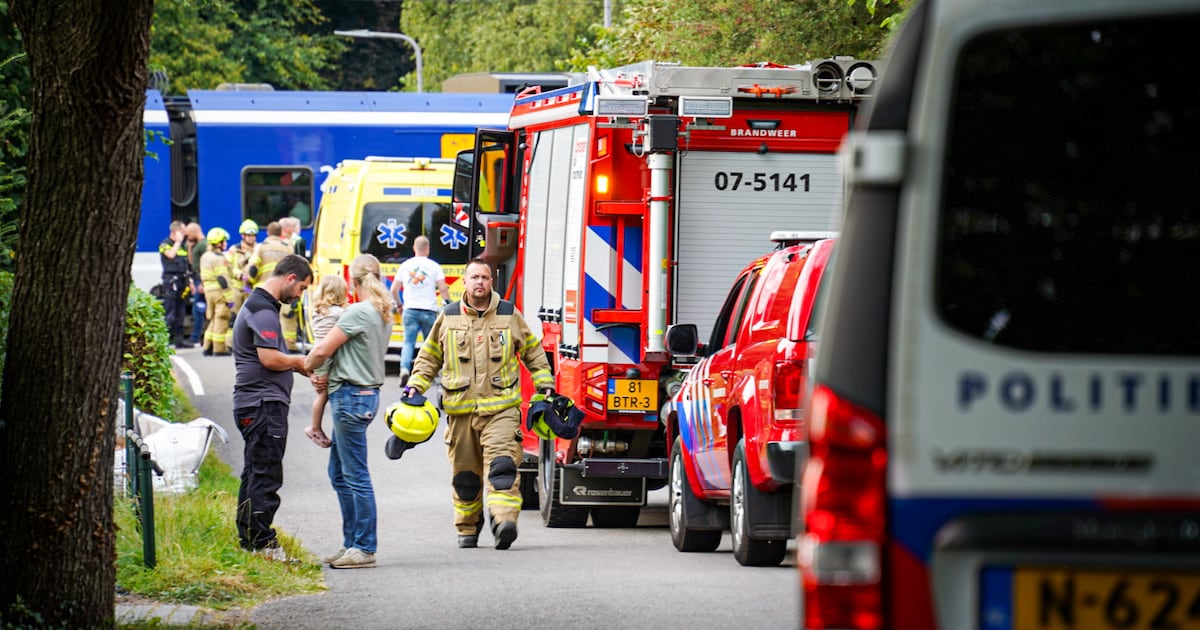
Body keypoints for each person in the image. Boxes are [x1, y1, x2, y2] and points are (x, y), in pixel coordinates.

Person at [404, 257, 554, 550]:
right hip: (460, 412)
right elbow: (429, 358)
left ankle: (504, 522)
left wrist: (544, 384)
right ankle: (468, 527)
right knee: (465, 478)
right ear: (464, 281)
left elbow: (534, 351)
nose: (479, 283)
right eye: (474, 277)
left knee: (502, 468)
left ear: (491, 282)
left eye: (484, 277)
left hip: (501, 409)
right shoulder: (447, 316)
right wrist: (414, 387)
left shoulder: (509, 314)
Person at [304, 254, 392, 569]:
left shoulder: (358, 311)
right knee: (339, 473)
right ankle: (351, 543)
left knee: (354, 475)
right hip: (364, 394)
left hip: (351, 396)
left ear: (353, 282)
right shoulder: (383, 310)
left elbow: (325, 348)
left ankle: (364, 547)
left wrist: (308, 366)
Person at [231, 254, 312, 557]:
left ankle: (249, 538)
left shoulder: (261, 306)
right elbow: (269, 358)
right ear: (290, 278)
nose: (299, 295)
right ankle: (262, 544)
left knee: (255, 471)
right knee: (266, 474)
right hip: (263, 404)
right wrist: (300, 362)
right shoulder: (262, 310)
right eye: (301, 288)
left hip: (256, 403)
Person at [391, 235, 450, 386]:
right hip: (428, 310)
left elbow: (394, 289)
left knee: (408, 343)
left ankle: (404, 370)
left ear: (414, 248)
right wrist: (448, 303)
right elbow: (443, 287)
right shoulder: (434, 266)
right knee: (429, 344)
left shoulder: (405, 265)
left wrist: (399, 305)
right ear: (428, 249)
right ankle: (430, 374)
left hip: (410, 309)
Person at [305, 274, 349, 449]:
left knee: (322, 393)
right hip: (326, 357)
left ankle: (316, 426)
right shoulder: (338, 313)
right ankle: (314, 427)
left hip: (317, 354)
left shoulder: (319, 312)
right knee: (323, 394)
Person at [250, 221, 301, 352]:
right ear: (281, 232)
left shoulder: (261, 246)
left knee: (265, 318)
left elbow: (253, 268)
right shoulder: (288, 246)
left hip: (263, 289)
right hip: (286, 288)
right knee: (287, 317)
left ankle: (266, 345)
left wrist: (250, 282)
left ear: (268, 232)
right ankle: (289, 344)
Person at [199, 227, 237, 356]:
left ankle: (207, 346)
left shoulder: (205, 256)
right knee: (222, 318)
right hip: (218, 292)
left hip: (208, 291)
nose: (225, 244)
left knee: (213, 319)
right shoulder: (220, 258)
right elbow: (222, 279)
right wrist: (230, 298)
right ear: (219, 242)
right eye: (224, 241)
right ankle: (219, 348)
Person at [159, 220, 193, 349]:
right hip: (170, 281)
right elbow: (170, 255)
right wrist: (178, 242)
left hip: (182, 280)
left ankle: (180, 339)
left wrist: (190, 281)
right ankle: (165, 341)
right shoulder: (165, 244)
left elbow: (186, 265)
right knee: (170, 311)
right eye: (183, 232)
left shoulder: (182, 247)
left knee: (181, 311)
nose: (185, 234)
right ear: (176, 232)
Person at [226, 219, 258, 315]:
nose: (251, 238)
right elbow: (228, 267)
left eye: (253, 235)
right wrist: (239, 274)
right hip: (236, 289)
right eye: (249, 235)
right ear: (243, 235)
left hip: (251, 289)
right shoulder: (234, 249)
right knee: (234, 316)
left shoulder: (259, 249)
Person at [186, 222, 208, 345]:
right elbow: (192, 262)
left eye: (188, 234)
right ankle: (197, 336)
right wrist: (189, 247)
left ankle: (196, 337)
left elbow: (206, 265)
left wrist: (202, 283)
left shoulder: (204, 245)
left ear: (194, 232)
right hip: (197, 280)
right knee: (199, 309)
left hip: (201, 280)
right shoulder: (197, 245)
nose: (187, 237)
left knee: (199, 310)